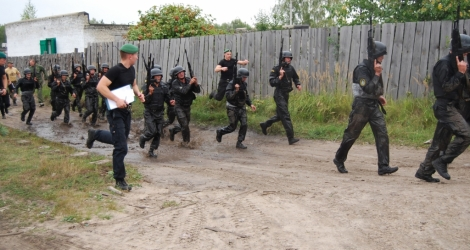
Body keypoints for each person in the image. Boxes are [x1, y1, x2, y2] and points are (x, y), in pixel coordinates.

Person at [332, 41, 399, 175]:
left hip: (373, 106)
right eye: (381, 55)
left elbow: (372, 90)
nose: (383, 58)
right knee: (351, 134)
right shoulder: (361, 69)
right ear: (375, 55)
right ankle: (339, 158)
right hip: (361, 107)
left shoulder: (375, 67)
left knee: (382, 134)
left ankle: (383, 166)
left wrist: (378, 96)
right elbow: (367, 88)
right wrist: (377, 74)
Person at [415, 34, 470, 183]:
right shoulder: (444, 64)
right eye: (465, 52)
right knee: (466, 134)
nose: (467, 55)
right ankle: (442, 161)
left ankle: (424, 171)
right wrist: (460, 73)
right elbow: (446, 88)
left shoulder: (458, 64)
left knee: (440, 142)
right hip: (445, 107)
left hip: (454, 107)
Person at [90, 44, 145, 191]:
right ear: (130, 56)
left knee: (120, 139)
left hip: (126, 110)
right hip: (115, 112)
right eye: (136, 55)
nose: (137, 57)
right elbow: (100, 87)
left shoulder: (131, 69)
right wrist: (116, 99)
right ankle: (119, 179)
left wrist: (138, 93)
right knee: (121, 147)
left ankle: (95, 134)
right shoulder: (115, 70)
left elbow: (133, 84)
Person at [259, 51, 301, 145]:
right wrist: (280, 76)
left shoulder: (291, 68)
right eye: (287, 58)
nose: (289, 59)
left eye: (290, 58)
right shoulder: (276, 68)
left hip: (286, 94)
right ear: (283, 58)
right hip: (279, 94)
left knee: (280, 116)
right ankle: (291, 138)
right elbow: (272, 82)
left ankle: (265, 124)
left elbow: (295, 77)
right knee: (285, 115)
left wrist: (298, 84)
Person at [216, 68, 256, 149]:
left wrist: (250, 104)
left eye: (246, 77)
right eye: (244, 77)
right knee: (232, 127)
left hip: (241, 107)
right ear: (240, 76)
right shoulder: (231, 84)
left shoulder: (244, 84)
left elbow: (245, 95)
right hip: (232, 107)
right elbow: (228, 96)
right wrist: (236, 90)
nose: (245, 79)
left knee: (244, 124)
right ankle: (220, 132)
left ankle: (239, 142)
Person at [139, 68, 175, 157]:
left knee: (158, 133)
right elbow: (144, 101)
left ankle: (151, 151)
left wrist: (171, 102)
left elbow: (167, 98)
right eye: (156, 76)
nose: (158, 77)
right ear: (152, 77)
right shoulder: (147, 87)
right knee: (152, 131)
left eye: (160, 76)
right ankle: (143, 138)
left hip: (159, 113)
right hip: (150, 113)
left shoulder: (164, 87)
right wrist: (150, 93)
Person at [169, 66, 200, 144]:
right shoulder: (175, 83)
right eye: (179, 73)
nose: (181, 74)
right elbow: (184, 91)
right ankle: (186, 143)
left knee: (184, 125)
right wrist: (190, 83)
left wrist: (196, 84)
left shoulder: (189, 80)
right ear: (176, 75)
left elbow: (198, 91)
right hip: (179, 106)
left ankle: (173, 130)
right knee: (185, 125)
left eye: (182, 72)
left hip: (187, 106)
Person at [0, 52, 8, 118]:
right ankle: (3, 115)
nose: (5, 61)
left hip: (1, 88)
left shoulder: (2, 67)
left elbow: (4, 78)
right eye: (3, 60)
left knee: (6, 103)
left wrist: (5, 88)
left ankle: (4, 112)